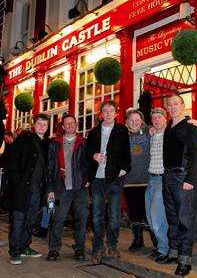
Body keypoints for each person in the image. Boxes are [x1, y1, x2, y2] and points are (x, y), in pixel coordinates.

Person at [86, 100, 131, 265]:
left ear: (116, 113)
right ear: (101, 114)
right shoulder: (93, 132)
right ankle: (97, 248)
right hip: (97, 179)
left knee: (114, 216)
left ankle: (112, 245)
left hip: (114, 179)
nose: (108, 113)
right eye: (105, 110)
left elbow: (127, 153)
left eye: (111, 110)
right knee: (97, 216)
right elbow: (87, 153)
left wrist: (124, 169)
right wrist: (94, 155)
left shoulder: (121, 131)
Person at [163, 93, 197, 276]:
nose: (172, 107)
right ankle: (173, 253)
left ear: (182, 105)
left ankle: (185, 261)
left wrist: (190, 180)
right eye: (169, 105)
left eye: (175, 104)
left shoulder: (191, 127)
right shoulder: (168, 128)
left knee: (185, 220)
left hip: (183, 177)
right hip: (168, 177)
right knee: (172, 218)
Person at [6, 113, 50, 265]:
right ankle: (15, 252)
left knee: (30, 220)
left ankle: (25, 247)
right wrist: (17, 182)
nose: (42, 127)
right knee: (19, 219)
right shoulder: (24, 139)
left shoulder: (46, 143)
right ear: (34, 125)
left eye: (45, 125)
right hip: (22, 188)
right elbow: (12, 160)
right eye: (39, 124)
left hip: (37, 190)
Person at [47, 113, 89, 262]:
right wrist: (50, 189)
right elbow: (50, 167)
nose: (71, 125)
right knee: (57, 218)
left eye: (73, 123)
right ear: (63, 127)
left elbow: (90, 163)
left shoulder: (84, 142)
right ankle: (53, 249)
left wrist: (88, 179)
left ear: (76, 125)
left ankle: (79, 248)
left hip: (80, 187)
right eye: (68, 124)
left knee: (81, 219)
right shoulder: (55, 144)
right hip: (61, 187)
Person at [123, 109, 151, 252]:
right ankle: (138, 240)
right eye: (131, 120)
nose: (134, 123)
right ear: (126, 122)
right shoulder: (122, 137)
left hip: (147, 180)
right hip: (129, 182)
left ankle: (156, 241)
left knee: (150, 213)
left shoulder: (149, 134)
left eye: (137, 120)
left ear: (142, 122)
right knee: (134, 213)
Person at [145, 108, 169, 262]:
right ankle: (161, 246)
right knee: (149, 215)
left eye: (159, 117)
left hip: (163, 178)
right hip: (151, 178)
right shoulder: (152, 136)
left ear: (165, 119)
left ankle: (164, 250)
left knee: (157, 215)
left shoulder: (170, 133)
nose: (156, 120)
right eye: (154, 118)